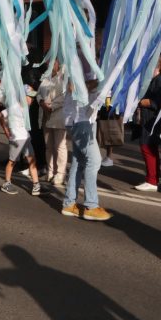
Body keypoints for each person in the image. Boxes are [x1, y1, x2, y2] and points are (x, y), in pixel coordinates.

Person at [61, 74, 111, 221]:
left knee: (78, 163)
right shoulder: (79, 58)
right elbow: (72, 86)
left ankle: (69, 204)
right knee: (94, 161)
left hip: (88, 119)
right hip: (79, 120)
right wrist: (101, 83)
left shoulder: (98, 61)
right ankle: (91, 206)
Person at [132, 55, 161, 192]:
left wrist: (141, 101)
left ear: (158, 66)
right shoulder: (154, 79)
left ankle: (152, 180)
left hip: (151, 118)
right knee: (148, 148)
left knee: (147, 147)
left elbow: (157, 102)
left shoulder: (160, 80)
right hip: (147, 117)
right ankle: (151, 178)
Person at [38, 63, 68, 186]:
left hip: (58, 115)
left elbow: (64, 96)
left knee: (59, 146)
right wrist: (40, 101)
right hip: (45, 115)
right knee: (49, 146)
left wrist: (51, 106)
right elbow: (39, 92)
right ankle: (50, 171)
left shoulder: (64, 77)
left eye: (53, 62)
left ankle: (60, 173)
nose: (50, 64)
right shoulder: (45, 77)